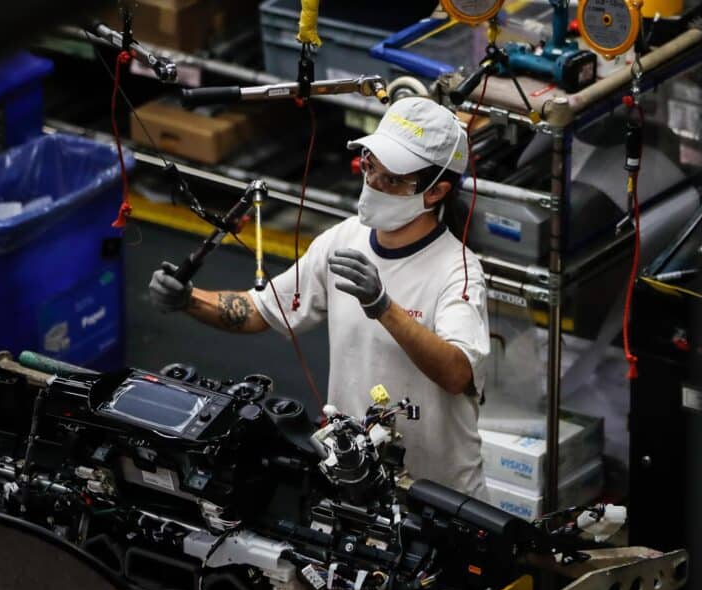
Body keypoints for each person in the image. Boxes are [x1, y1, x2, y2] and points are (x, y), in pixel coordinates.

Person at [149, 97, 491, 500]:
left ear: (435, 193)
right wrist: (188, 299)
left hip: (437, 497)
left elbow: (457, 374)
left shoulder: (457, 271)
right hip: (354, 482)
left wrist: (383, 307)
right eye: (370, 167)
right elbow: (261, 310)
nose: (373, 185)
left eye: (391, 179)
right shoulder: (343, 240)